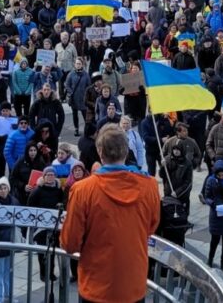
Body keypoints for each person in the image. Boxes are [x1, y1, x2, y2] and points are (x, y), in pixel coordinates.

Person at [58, 122, 160, 303]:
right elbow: (151, 227)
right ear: (127, 150)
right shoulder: (150, 185)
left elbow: (70, 243)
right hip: (133, 286)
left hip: (96, 287)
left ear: (100, 151)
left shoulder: (82, 190)